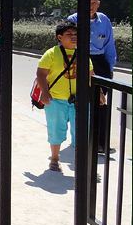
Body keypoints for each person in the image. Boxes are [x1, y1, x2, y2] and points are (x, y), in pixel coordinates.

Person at [35, 21, 94, 172]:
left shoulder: (82, 54)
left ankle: (81, 163)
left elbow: (90, 75)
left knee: (82, 131)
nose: (73, 37)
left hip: (79, 101)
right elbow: (41, 74)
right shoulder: (51, 53)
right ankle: (54, 159)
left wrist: (98, 93)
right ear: (59, 37)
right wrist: (45, 93)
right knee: (55, 130)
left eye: (75, 34)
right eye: (69, 34)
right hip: (56, 100)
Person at [67, 0, 118, 154]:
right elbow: (69, 43)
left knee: (101, 103)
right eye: (88, 2)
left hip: (100, 61)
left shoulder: (104, 20)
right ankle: (82, 140)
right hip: (81, 60)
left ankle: (102, 142)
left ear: (99, 4)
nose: (91, 6)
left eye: (94, 2)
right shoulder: (74, 19)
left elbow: (110, 45)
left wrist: (110, 68)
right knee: (83, 103)